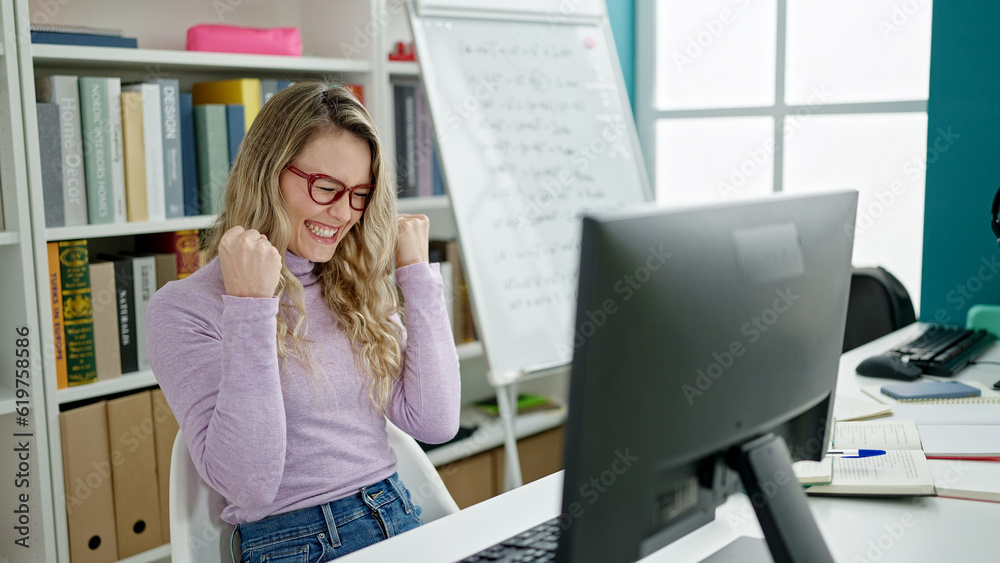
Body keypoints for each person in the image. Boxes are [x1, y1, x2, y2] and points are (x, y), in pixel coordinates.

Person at [146, 81, 461, 562]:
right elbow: (249, 486)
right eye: (327, 187)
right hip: (294, 545)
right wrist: (250, 305)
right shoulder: (184, 309)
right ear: (267, 175)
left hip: (398, 513)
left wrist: (416, 275)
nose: (343, 213)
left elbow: (435, 422)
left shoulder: (350, 282)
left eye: (360, 193)